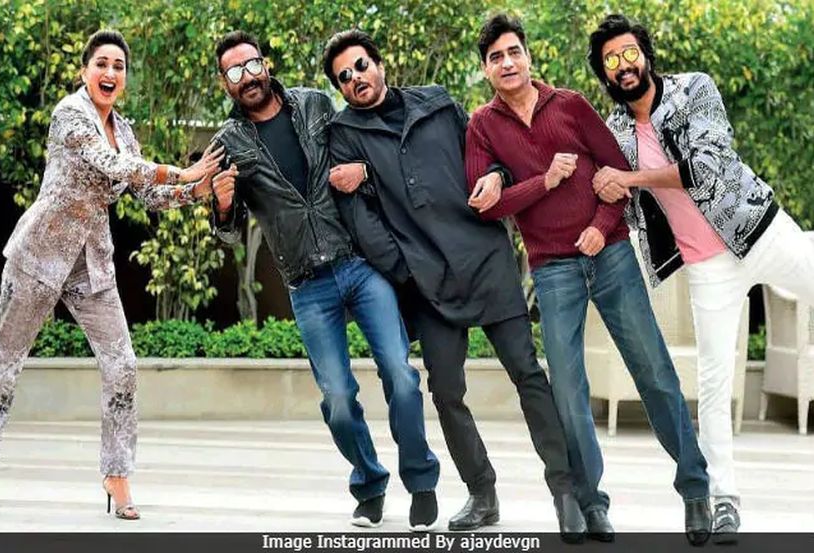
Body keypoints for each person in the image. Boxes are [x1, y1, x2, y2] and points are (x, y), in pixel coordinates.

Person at [322, 29, 587, 541]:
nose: (356, 78)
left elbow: (483, 154)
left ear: (380, 63)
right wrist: (406, 270)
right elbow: (361, 221)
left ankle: (565, 490)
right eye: (344, 77)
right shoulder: (344, 135)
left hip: (485, 260)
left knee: (528, 374)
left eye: (361, 65)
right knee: (445, 392)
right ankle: (482, 493)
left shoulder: (437, 103)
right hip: (428, 284)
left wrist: (496, 175)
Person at [464, 14, 714, 545]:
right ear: (486, 69)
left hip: (611, 255)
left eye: (513, 52)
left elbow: (616, 173)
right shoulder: (482, 126)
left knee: (654, 373)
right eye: (495, 57)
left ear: (528, 56)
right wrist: (544, 181)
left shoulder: (571, 105)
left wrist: (601, 227)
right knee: (569, 389)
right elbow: (487, 206)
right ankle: (591, 504)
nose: (507, 63)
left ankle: (696, 489)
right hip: (552, 270)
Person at [588, 14, 814, 543]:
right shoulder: (615, 132)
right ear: (604, 73)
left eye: (629, 53)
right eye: (611, 60)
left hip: (760, 230)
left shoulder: (694, 89)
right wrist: (604, 188)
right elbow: (616, 198)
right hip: (707, 266)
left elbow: (705, 165)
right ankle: (725, 500)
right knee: (713, 386)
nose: (623, 65)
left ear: (646, 54)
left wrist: (628, 178)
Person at [0, 29, 222, 520]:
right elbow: (111, 165)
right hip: (38, 257)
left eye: (119, 66)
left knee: (123, 367)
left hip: (92, 266)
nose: (111, 72)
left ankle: (116, 474)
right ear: (85, 71)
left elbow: (148, 195)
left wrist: (197, 191)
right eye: (102, 64)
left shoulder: (126, 130)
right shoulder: (69, 114)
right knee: (3, 371)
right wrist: (181, 172)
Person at [208, 31, 440, 531]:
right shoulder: (228, 143)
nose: (247, 77)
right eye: (234, 72)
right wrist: (223, 204)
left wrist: (364, 170)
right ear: (225, 83)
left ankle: (421, 482)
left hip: (358, 264)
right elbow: (227, 231)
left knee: (400, 375)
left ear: (266, 64)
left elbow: (362, 148)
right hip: (308, 286)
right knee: (336, 399)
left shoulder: (314, 104)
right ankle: (369, 483)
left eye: (251, 65)